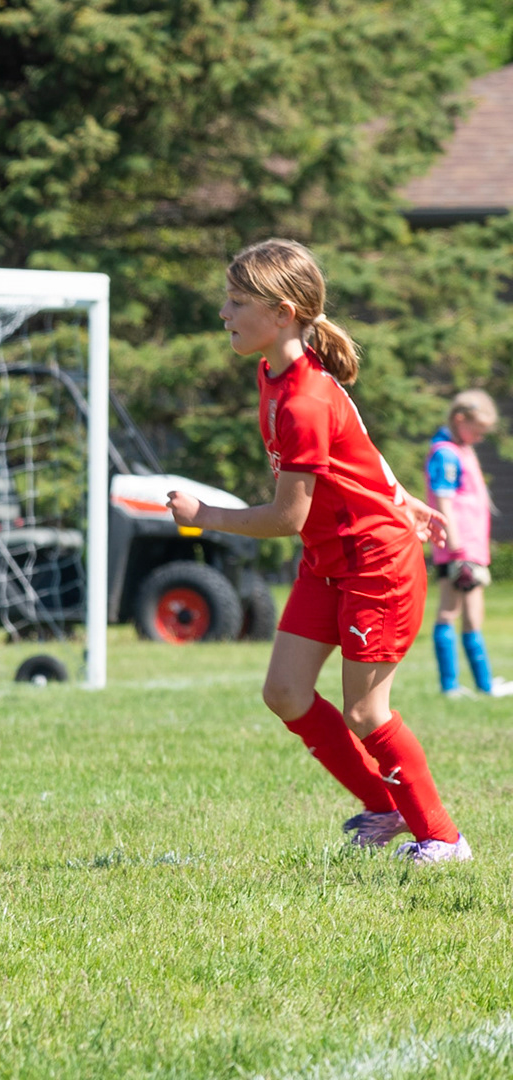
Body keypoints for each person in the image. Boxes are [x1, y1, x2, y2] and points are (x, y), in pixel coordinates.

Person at [166, 238, 468, 863]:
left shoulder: (303, 398)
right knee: (285, 692)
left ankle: (443, 839)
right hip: (328, 562)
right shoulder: (275, 373)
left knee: (365, 711)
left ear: (282, 313)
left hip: (375, 565)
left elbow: (287, 517)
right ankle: (385, 808)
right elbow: (357, 438)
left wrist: (205, 517)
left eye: (236, 301)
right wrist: (400, 493)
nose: (223, 312)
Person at [426, 389, 509, 697]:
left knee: (474, 615)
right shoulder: (446, 453)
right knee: (450, 611)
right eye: (477, 430)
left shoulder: (462, 450)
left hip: (472, 548)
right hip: (459, 549)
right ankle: (450, 685)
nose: (479, 437)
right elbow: (444, 500)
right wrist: (456, 546)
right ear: (460, 419)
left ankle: (484, 684)